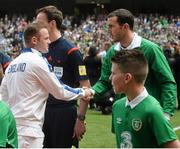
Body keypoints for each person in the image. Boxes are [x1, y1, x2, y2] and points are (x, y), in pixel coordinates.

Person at [0, 22, 91, 148]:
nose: (49, 41)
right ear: (34, 40)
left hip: (13, 129)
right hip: (30, 131)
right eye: (46, 38)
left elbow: (3, 98)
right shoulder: (38, 61)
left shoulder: (12, 65)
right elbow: (60, 90)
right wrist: (83, 92)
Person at [92, 8, 177, 120]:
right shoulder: (112, 52)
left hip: (148, 115)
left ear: (125, 27)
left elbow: (167, 81)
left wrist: (166, 113)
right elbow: (104, 81)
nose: (108, 30)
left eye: (112, 26)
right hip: (123, 115)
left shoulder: (150, 49)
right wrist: (91, 91)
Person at [36, 5, 91, 148]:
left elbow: (86, 87)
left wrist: (80, 119)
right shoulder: (39, 50)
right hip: (42, 111)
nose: (36, 26)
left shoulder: (71, 51)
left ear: (52, 23)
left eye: (40, 22)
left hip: (64, 113)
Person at [110, 49, 180, 148]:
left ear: (127, 78)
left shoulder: (152, 110)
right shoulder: (117, 106)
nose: (110, 78)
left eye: (113, 73)